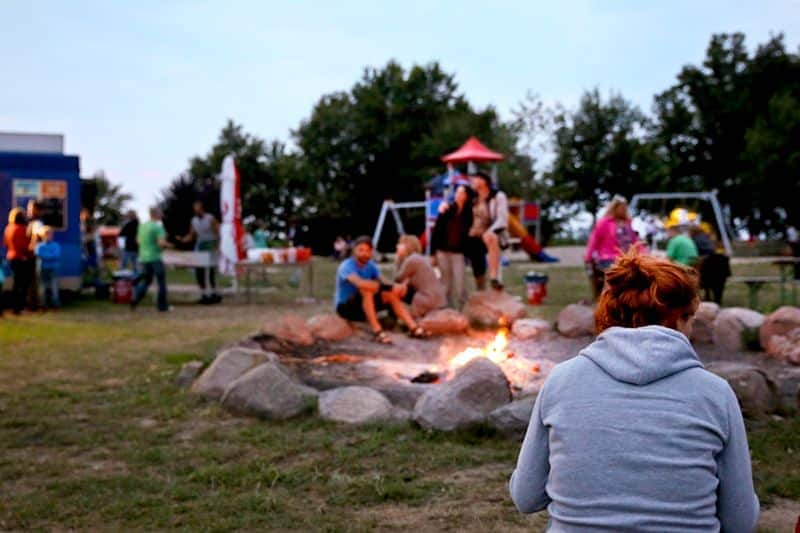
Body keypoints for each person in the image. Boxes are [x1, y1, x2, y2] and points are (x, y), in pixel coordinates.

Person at [510, 250, 760, 532]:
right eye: (691, 321)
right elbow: (740, 521)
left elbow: (526, 497)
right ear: (679, 318)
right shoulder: (716, 394)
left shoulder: (560, 381)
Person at [334, 236, 430, 344]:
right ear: (354, 251)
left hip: (363, 308)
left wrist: (398, 287)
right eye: (361, 250)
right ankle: (378, 332)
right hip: (346, 308)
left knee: (389, 293)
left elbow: (384, 282)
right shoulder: (346, 266)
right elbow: (360, 283)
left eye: (367, 250)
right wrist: (390, 287)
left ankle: (413, 328)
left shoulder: (371, 266)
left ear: (371, 252)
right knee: (366, 289)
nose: (364, 254)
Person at [584, 195, 641, 300]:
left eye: (625, 207)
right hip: (608, 257)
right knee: (615, 272)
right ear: (615, 208)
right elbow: (594, 240)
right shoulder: (604, 223)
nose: (623, 210)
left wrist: (643, 253)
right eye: (621, 207)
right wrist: (588, 257)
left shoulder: (628, 223)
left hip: (627, 257)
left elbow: (635, 241)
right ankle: (607, 299)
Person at [431, 184, 474, 309]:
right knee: (445, 284)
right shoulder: (447, 209)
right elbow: (437, 231)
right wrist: (432, 253)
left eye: (461, 193)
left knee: (460, 283)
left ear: (466, 196)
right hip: (442, 251)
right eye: (457, 192)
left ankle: (464, 310)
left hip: (458, 252)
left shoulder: (469, 213)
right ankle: (446, 309)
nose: (458, 195)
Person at [469, 171, 509, 291]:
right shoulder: (473, 198)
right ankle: (481, 288)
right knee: (477, 265)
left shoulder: (498, 196)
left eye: (475, 179)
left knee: (491, 238)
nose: (472, 182)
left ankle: (494, 279)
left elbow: (502, 219)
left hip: (493, 233)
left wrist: (490, 231)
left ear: (483, 181)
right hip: (474, 236)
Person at [394, 235, 446, 318]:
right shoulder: (420, 258)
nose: (397, 246)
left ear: (408, 246)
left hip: (427, 298)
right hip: (438, 298)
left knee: (395, 292)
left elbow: (398, 278)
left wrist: (398, 260)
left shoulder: (412, 259)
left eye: (400, 244)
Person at [180, 200, 221, 304]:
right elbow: (192, 234)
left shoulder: (210, 218)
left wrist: (218, 246)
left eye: (197, 208)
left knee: (210, 271)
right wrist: (183, 240)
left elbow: (218, 232)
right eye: (194, 209)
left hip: (211, 245)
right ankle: (204, 294)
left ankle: (214, 294)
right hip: (200, 246)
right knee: (199, 272)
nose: (196, 211)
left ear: (202, 208)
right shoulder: (194, 220)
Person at [131, 207, 171, 312]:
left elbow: (138, 241)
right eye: (161, 213)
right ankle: (162, 306)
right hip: (155, 257)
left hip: (144, 257)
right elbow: (161, 243)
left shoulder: (142, 226)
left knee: (147, 281)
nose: (162, 215)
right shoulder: (158, 227)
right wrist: (169, 245)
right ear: (157, 214)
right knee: (161, 281)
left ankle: (135, 298)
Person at [4, 208, 34, 314]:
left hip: (11, 257)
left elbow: (6, 243)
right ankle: (18, 307)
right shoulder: (20, 229)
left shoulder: (8, 228)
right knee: (22, 284)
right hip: (21, 258)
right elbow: (24, 246)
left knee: (16, 283)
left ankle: (16, 307)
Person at [35, 226, 61, 309]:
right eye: (46, 234)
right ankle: (43, 303)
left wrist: (46, 256)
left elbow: (56, 255)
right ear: (42, 235)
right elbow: (38, 254)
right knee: (42, 286)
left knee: (54, 285)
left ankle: (55, 302)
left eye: (50, 234)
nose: (48, 236)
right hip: (42, 268)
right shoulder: (39, 246)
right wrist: (50, 255)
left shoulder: (56, 245)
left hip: (53, 268)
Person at [119, 210, 140, 274]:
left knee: (124, 264)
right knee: (136, 265)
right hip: (136, 247)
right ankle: (137, 278)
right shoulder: (138, 224)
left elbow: (121, 234)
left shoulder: (127, 224)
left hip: (128, 247)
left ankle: (122, 278)